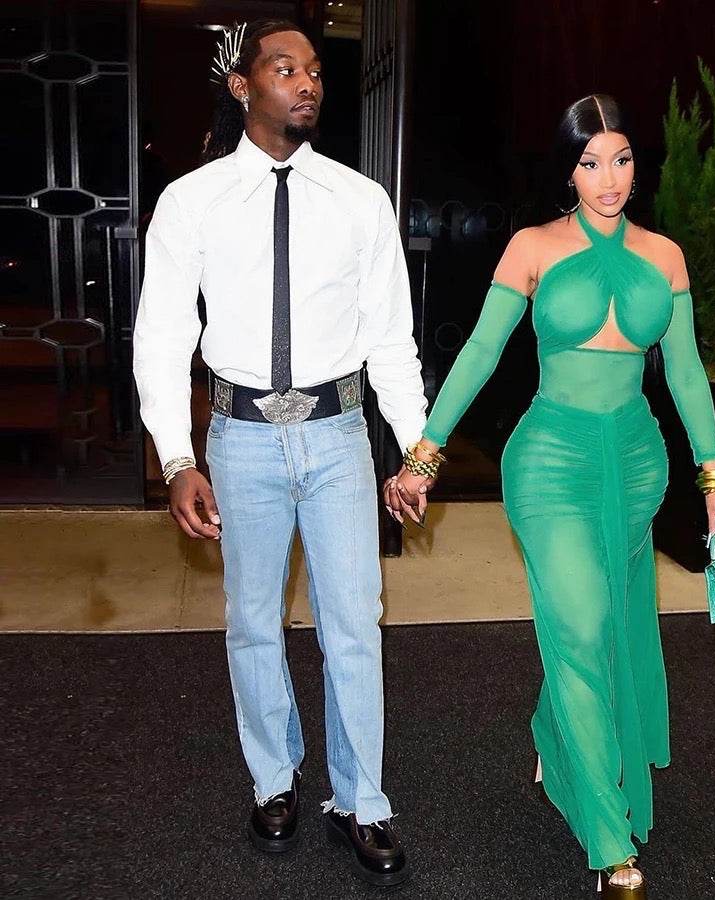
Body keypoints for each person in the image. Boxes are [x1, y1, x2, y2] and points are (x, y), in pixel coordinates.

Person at [385, 94, 715, 896]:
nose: (608, 178)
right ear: (568, 170)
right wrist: (424, 456)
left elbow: (685, 372)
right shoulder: (533, 247)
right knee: (580, 622)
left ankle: (555, 733)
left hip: (636, 462)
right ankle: (611, 847)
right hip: (549, 460)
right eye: (589, 163)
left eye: (621, 159)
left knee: (601, 626)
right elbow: (481, 350)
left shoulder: (666, 256)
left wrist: (713, 476)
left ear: (637, 165)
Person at [133, 19, 425, 888]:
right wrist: (176, 456)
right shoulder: (191, 201)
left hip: (338, 439)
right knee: (254, 623)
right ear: (243, 86)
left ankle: (362, 799)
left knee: (354, 626)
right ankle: (274, 779)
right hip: (242, 442)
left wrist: (416, 450)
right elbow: (162, 336)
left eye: (315, 71)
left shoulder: (361, 201)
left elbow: (392, 340)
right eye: (285, 68)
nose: (307, 84)